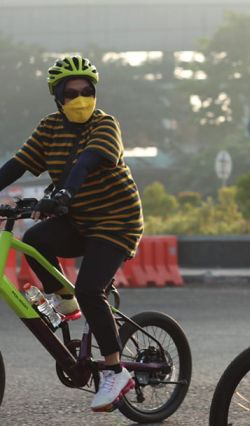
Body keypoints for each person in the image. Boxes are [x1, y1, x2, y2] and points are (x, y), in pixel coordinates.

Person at [0, 56, 143, 411]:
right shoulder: (49, 128)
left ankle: (115, 371)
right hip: (79, 220)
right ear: (57, 98)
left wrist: (64, 193)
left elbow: (87, 162)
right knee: (34, 240)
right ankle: (64, 299)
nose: (80, 98)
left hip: (116, 221)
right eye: (71, 93)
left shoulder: (105, 124)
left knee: (91, 289)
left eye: (87, 91)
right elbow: (17, 165)